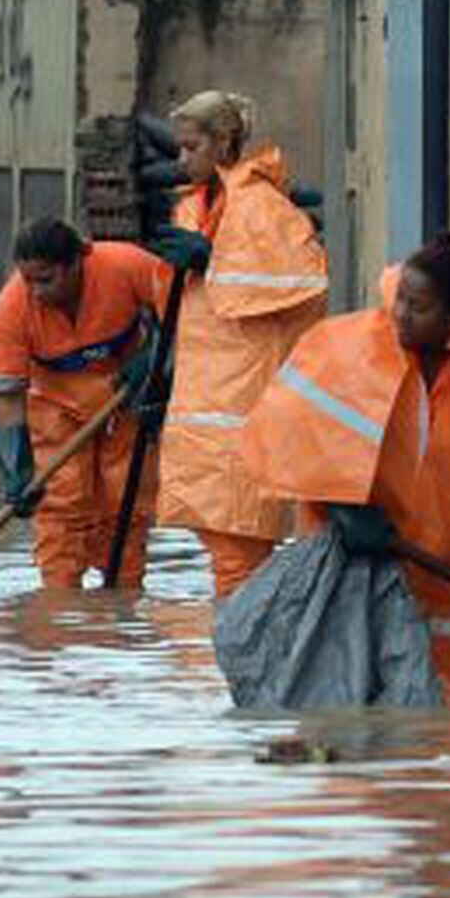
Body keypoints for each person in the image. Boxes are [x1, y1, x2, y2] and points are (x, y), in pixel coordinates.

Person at [240, 233, 450, 705]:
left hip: (431, 567)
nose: (402, 314)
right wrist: (339, 505)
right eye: (402, 300)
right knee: (331, 703)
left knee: (432, 714)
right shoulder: (349, 347)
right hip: (342, 549)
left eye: (419, 307)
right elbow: (293, 429)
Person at [149, 91, 329, 600]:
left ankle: (225, 662)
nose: (181, 160)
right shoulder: (198, 206)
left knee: (238, 556)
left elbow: (302, 286)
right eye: (178, 149)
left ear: (222, 142)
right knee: (228, 555)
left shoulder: (263, 207)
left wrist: (212, 260)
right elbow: (181, 305)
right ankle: (221, 662)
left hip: (242, 407)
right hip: (207, 411)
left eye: (191, 147)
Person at [0, 218, 171, 589]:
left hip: (124, 402)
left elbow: (184, 308)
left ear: (75, 264)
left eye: (45, 279)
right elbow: (6, 393)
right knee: (60, 510)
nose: (35, 291)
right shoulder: (12, 306)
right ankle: (60, 608)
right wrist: (18, 469)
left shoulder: (125, 265)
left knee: (126, 508)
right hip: (55, 410)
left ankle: (122, 603)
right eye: (28, 280)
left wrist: (152, 358)